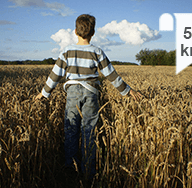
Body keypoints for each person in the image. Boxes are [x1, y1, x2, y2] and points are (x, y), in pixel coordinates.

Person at [35, 14, 142, 181]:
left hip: (72, 94)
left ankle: (70, 167)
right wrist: (127, 90)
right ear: (93, 32)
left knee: (71, 129)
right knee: (89, 130)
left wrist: (44, 92)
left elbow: (55, 74)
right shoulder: (97, 51)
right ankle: (88, 171)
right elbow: (111, 75)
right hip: (91, 94)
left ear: (75, 31)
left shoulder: (67, 51)